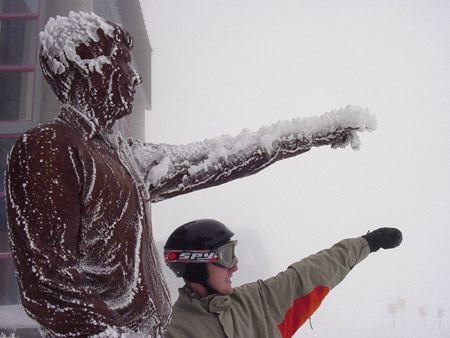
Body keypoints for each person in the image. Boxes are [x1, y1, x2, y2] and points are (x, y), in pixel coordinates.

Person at [5, 11, 375, 338]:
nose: (134, 78)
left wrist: (313, 133)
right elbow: (47, 282)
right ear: (82, 65)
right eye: (121, 61)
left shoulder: (126, 158)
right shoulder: (51, 146)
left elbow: (223, 157)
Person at [164, 219, 402, 338]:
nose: (234, 267)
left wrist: (365, 244)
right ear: (193, 264)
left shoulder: (253, 303)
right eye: (226, 256)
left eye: (234, 253)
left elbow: (306, 276)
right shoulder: (171, 331)